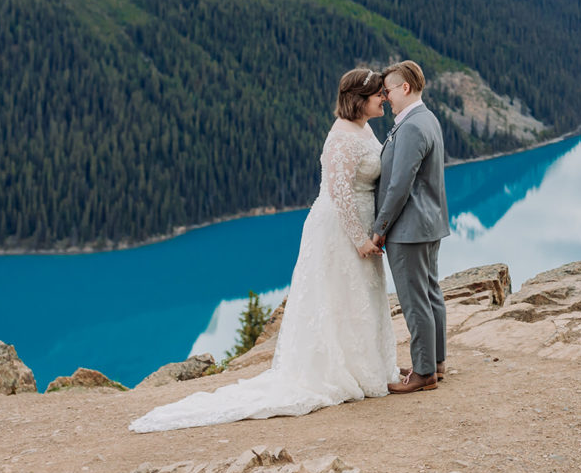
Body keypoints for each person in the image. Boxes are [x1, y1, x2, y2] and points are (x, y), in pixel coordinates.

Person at [128, 68, 398, 432]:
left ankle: (369, 367)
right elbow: (340, 194)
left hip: (360, 226)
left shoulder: (364, 128)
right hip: (339, 231)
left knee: (359, 296)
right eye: (378, 94)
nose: (384, 98)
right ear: (359, 100)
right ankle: (344, 371)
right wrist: (360, 239)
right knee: (339, 296)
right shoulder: (342, 137)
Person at [373, 59, 450, 394]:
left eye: (388, 90)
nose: (385, 96)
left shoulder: (413, 126)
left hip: (409, 229)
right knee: (431, 294)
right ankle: (435, 363)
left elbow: (399, 184)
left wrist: (380, 227)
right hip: (429, 224)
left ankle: (423, 373)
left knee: (414, 299)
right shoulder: (425, 118)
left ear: (404, 88)